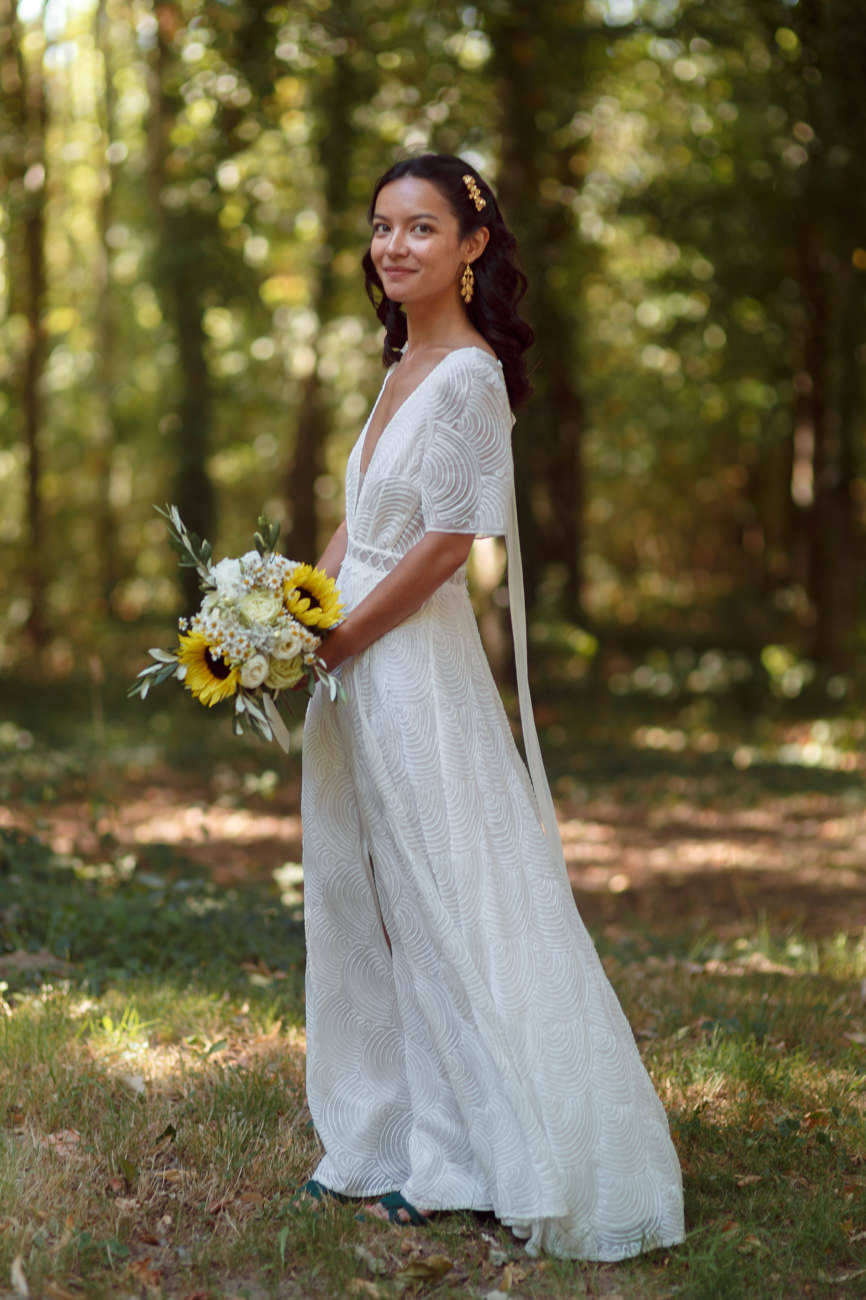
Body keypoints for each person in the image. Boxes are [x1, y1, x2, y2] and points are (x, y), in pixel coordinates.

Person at [299, 152, 685, 1260]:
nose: (393, 246)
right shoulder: (399, 365)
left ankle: (467, 1153)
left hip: (409, 666)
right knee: (360, 894)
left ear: (471, 247)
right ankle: (374, 1136)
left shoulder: (467, 376)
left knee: (439, 888)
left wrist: (347, 636)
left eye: (421, 228)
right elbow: (359, 526)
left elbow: (445, 544)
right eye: (381, 226)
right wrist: (289, 608)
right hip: (350, 656)